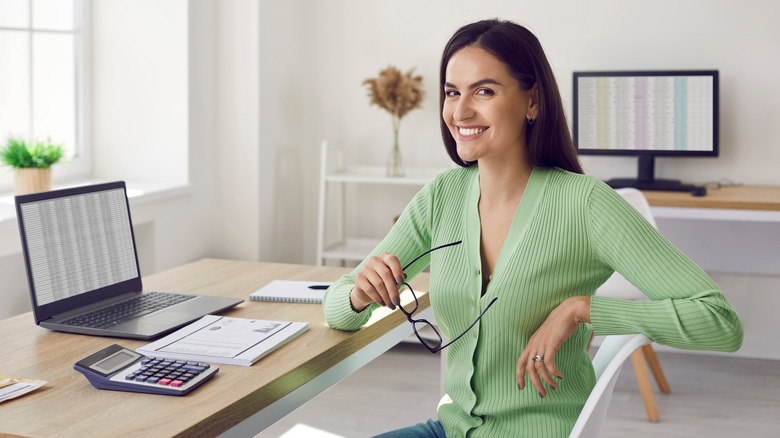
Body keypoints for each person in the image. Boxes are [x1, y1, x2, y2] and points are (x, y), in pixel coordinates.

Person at [323, 18, 743, 438]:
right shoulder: (442, 196)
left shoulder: (586, 203)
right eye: (453, 92)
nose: (461, 111)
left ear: (532, 101)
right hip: (451, 430)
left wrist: (582, 310)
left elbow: (721, 322)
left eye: (484, 91)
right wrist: (360, 293)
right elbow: (337, 308)